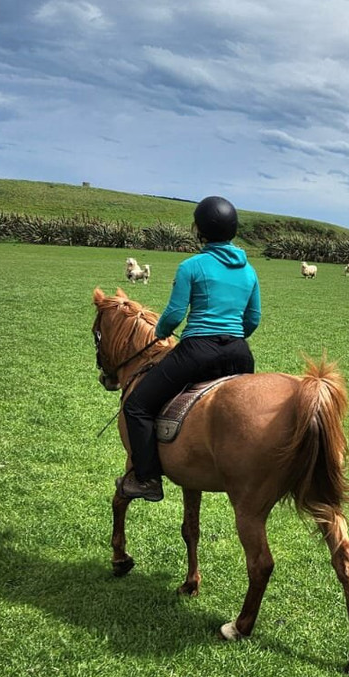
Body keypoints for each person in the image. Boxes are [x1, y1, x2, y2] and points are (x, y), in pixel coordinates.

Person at [117, 196, 262, 502]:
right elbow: (253, 318)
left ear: (201, 231)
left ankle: (146, 479)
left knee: (137, 406)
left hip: (198, 352)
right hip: (239, 354)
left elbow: (173, 314)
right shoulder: (249, 271)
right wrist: (233, 337)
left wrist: (161, 333)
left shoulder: (192, 266)